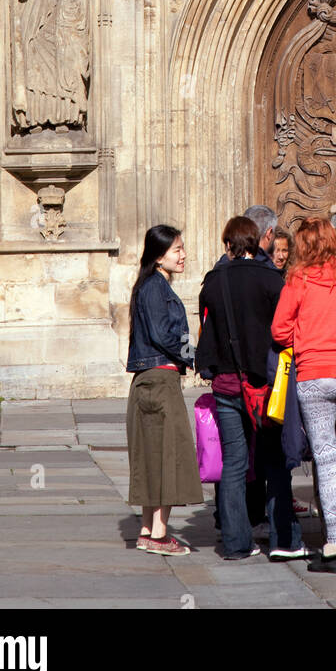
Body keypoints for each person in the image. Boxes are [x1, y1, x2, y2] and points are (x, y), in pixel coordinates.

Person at [197, 216, 304, 562]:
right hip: (268, 386)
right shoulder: (273, 280)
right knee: (275, 463)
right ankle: (283, 539)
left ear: (228, 245)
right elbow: (285, 331)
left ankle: (236, 543)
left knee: (234, 464)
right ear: (258, 243)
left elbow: (206, 329)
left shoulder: (213, 283)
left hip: (228, 384)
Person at [272, 217, 336, 574]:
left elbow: (279, 328)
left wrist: (304, 340)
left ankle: (335, 545)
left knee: (326, 457)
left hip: (316, 374)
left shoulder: (298, 280)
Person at [126, 224, 202, 556]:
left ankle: (146, 531)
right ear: (159, 256)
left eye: (182, 248)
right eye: (177, 250)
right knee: (170, 456)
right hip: (160, 380)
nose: (183, 255)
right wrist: (196, 356)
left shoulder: (149, 285)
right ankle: (159, 535)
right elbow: (163, 334)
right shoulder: (155, 288)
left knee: (152, 457)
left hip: (148, 379)